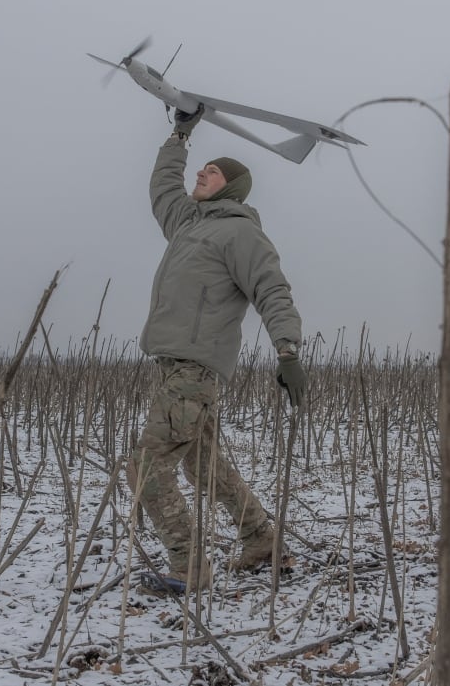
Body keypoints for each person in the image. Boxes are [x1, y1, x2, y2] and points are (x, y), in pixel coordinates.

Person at [128, 104, 308, 593]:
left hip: (193, 369)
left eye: (212, 172)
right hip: (173, 366)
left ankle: (188, 566)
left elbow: (272, 289)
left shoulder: (241, 232)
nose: (202, 174)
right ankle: (261, 541)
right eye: (202, 168)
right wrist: (179, 138)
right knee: (201, 464)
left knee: (145, 468)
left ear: (229, 187)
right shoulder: (188, 225)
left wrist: (287, 349)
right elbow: (163, 188)